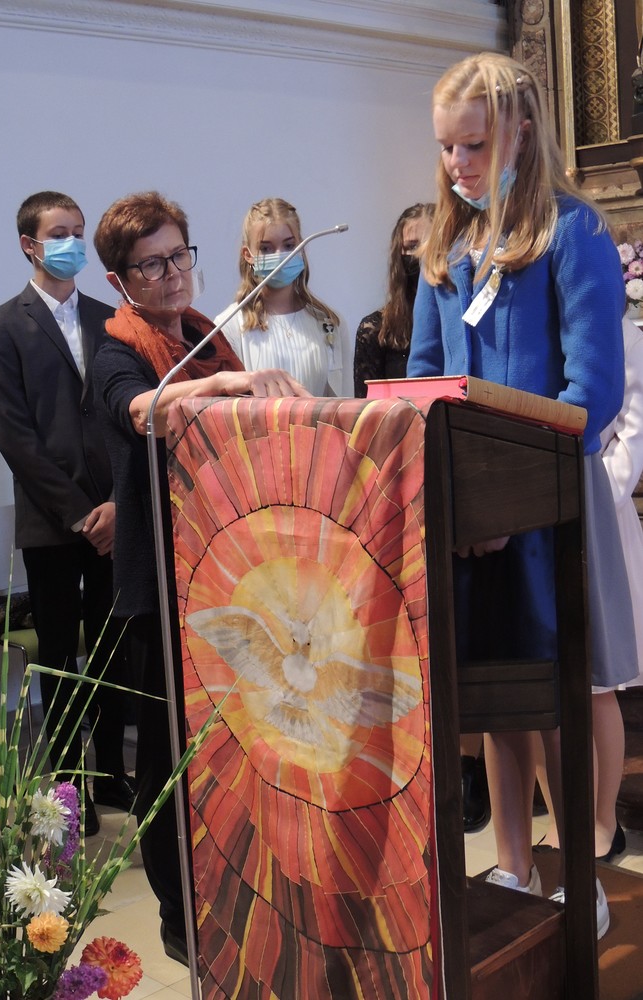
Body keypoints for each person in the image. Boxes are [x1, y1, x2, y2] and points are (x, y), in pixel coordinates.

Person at [407, 51, 638, 940]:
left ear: (520, 132)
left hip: (546, 508)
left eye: (472, 145)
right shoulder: (447, 246)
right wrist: (459, 495)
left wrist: (507, 492)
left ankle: (580, 869)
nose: (457, 164)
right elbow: (423, 381)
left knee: (564, 692)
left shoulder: (572, 232)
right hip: (468, 515)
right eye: (446, 147)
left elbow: (593, 391)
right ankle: (511, 863)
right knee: (497, 700)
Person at [91, 190, 310, 965]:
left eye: (178, 256)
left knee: (234, 745)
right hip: (160, 583)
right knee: (165, 759)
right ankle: (179, 918)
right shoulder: (116, 349)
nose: (172, 275)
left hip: (227, 574)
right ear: (119, 281)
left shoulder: (211, 337)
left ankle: (239, 892)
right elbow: (142, 410)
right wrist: (221, 387)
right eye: (150, 265)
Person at [0, 191, 134, 837]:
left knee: (113, 650)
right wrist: (80, 513)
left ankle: (113, 773)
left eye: (78, 231)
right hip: (52, 523)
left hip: (116, 516)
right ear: (30, 245)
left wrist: (118, 504)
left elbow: (125, 418)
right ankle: (70, 785)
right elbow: (14, 435)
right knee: (62, 659)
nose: (71, 243)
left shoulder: (111, 318)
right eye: (59, 232)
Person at [536, 315, 643, 860]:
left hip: (599, 512)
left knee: (598, 683)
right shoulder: (539, 322)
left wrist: (590, 492)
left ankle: (603, 823)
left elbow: (633, 436)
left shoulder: (625, 335)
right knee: (542, 683)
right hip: (536, 512)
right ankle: (562, 822)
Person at [214, 197, 351, 395]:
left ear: (301, 247)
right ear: (248, 254)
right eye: (266, 248)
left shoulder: (329, 322)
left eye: (289, 246)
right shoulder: (229, 325)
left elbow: (345, 401)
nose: (280, 257)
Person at [353, 203, 434, 397]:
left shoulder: (463, 325)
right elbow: (365, 410)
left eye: (431, 245)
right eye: (413, 246)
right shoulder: (375, 329)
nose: (422, 255)